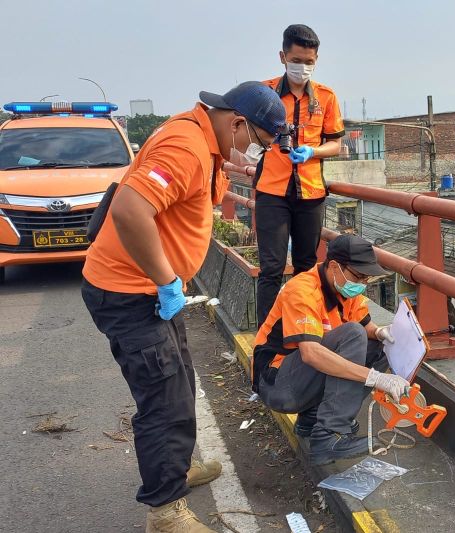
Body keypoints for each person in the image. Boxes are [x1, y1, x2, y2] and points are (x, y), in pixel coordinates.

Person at [82, 82, 286, 532]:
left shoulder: (205, 140)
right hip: (130, 291)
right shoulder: (186, 147)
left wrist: (241, 168)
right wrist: (166, 280)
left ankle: (174, 467)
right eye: (255, 141)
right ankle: (166, 512)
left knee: (181, 380)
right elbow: (130, 210)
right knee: (163, 399)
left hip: (149, 292)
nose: (252, 152)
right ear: (236, 123)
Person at [252, 234, 409, 465]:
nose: (363, 284)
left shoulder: (344, 288)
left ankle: (313, 420)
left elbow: (365, 325)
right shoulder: (302, 290)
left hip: (300, 379)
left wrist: (380, 333)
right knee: (352, 335)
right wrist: (375, 378)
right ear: (335, 266)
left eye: (367, 279)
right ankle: (328, 435)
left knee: (380, 347)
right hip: (277, 383)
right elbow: (311, 353)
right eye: (360, 276)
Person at [254, 24, 345, 326]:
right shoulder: (264, 92)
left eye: (309, 62)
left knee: (307, 265)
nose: (302, 67)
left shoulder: (326, 97)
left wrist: (311, 151)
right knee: (271, 267)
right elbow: (244, 131)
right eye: (296, 60)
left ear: (316, 60)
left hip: (310, 192)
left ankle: (305, 327)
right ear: (282, 56)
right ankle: (267, 336)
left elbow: (335, 144)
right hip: (272, 192)